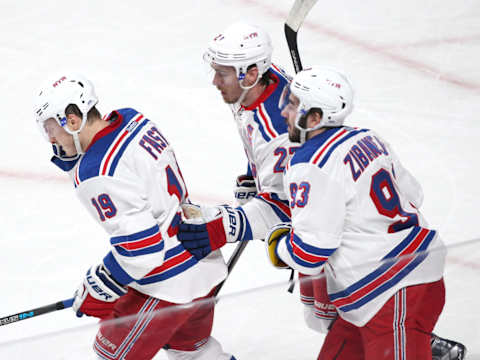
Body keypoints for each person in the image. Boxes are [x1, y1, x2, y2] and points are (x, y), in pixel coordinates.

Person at [178, 23, 466, 360]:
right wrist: (255, 174)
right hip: (369, 250)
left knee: (325, 311)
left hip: (367, 259)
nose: (215, 81)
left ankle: (409, 336)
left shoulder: (290, 143)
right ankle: (401, 334)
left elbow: (286, 209)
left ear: (252, 73)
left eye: (222, 74)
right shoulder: (262, 87)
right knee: (322, 313)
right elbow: (412, 194)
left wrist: (226, 226)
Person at [33, 73, 235, 360]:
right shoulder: (131, 119)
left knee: (112, 356)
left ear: (72, 119)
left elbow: (143, 251)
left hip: (166, 285)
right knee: (195, 353)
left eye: (51, 128)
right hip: (203, 257)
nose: (51, 138)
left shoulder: (95, 172)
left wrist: (99, 285)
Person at [264, 65, 455, 359]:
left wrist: (278, 245)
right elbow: (414, 194)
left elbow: (311, 252)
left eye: (292, 104)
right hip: (381, 292)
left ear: (315, 117)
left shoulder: (308, 164)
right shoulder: (366, 137)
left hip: (395, 290)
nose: (284, 113)